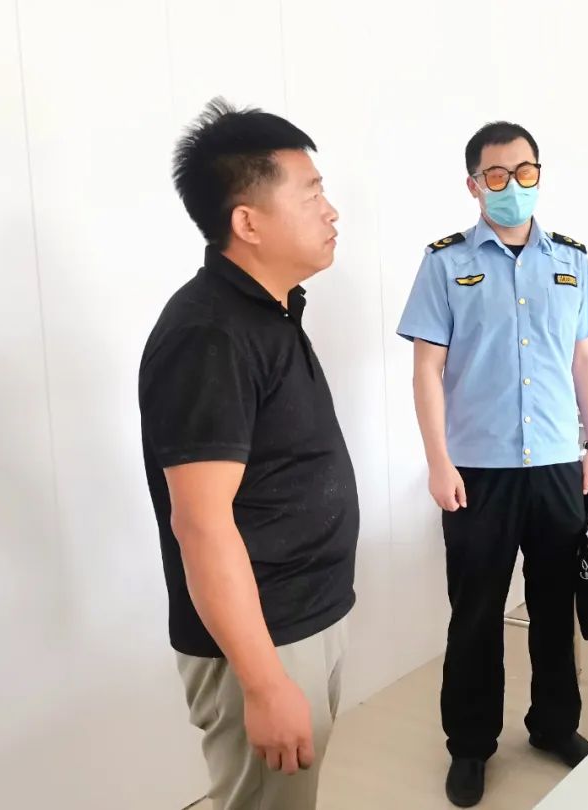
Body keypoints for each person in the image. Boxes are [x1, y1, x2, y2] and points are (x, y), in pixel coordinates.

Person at [138, 98, 358, 810]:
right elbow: (201, 524)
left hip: (303, 617)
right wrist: (263, 683)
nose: (331, 211)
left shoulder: (269, 310)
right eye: (312, 193)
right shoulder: (209, 334)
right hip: (263, 640)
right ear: (248, 222)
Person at [397, 121, 588, 807]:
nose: (513, 184)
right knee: (477, 613)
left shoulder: (572, 260)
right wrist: (438, 462)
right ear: (473, 185)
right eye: (497, 174)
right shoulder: (444, 263)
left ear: (539, 174)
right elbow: (426, 371)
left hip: (557, 466)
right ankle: (470, 745)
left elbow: (585, 359)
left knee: (554, 606)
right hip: (477, 472)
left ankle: (554, 726)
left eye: (525, 171)